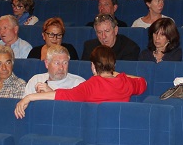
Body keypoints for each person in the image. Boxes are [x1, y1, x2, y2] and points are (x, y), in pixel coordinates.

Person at [15, 45, 147, 118]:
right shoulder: (125, 82)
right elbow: (143, 82)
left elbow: (64, 95)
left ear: (93, 66)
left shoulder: (91, 85)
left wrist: (29, 97)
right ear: (114, 65)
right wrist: (117, 74)